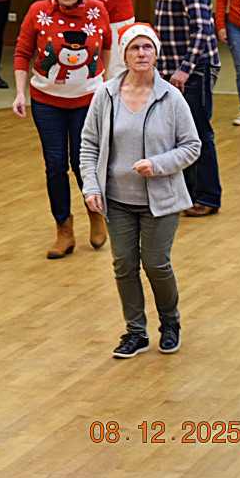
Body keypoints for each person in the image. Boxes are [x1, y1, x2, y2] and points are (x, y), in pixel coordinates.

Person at [81, 23, 200, 359]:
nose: (141, 53)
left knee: (156, 264)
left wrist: (157, 164)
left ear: (156, 53)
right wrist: (91, 186)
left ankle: (170, 323)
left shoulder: (171, 97)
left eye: (147, 47)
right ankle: (135, 332)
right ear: (124, 54)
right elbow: (89, 144)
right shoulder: (105, 95)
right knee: (124, 264)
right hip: (116, 199)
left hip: (160, 200)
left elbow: (192, 146)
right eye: (134, 48)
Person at [12, 0, 111, 258]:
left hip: (87, 101)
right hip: (46, 101)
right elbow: (22, 51)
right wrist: (19, 93)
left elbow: (106, 45)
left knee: (83, 162)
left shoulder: (97, 10)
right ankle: (64, 229)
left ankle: (95, 213)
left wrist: (103, 80)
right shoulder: (38, 11)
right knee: (55, 164)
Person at [134, 0, 222, 217]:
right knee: (177, 133)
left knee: (198, 132)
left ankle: (207, 196)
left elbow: (202, 28)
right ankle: (185, 194)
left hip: (194, 69)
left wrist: (185, 69)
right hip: (172, 69)